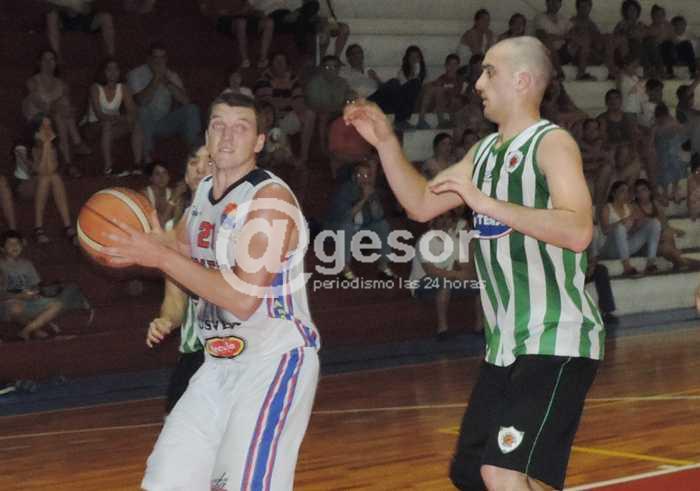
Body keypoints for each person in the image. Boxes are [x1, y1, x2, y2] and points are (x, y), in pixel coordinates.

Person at [345, 36, 603, 490]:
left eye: (489, 72)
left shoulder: (552, 143)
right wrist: (385, 143)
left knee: (500, 471)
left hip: (556, 335)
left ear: (522, 81)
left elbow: (578, 229)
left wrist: (486, 204)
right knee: (473, 473)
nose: (478, 82)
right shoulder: (482, 154)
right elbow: (420, 203)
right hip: (505, 345)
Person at [103, 92, 319, 490]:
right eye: (219, 125)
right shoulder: (204, 193)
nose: (227, 136)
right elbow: (177, 248)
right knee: (165, 482)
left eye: (241, 127)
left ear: (259, 142)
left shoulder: (269, 200)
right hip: (217, 365)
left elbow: (242, 299)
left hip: (272, 362)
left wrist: (160, 255)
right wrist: (130, 238)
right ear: (206, 135)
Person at [145, 147, 209, 413]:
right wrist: (166, 321)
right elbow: (175, 298)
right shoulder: (172, 230)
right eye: (194, 161)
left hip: (242, 347)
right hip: (198, 350)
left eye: (210, 162)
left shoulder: (243, 218)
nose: (200, 168)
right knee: (173, 424)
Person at [0, 230, 91, 341]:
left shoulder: (27, 264)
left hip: (28, 301)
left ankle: (26, 331)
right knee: (15, 308)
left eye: (17, 243)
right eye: (10, 244)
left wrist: (34, 293)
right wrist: (19, 296)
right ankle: (38, 330)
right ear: (2, 248)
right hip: (9, 303)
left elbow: (35, 286)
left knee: (57, 304)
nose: (14, 246)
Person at [408, 209, 482, 340]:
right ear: (433, 222)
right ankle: (442, 329)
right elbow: (431, 272)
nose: (444, 222)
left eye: (448, 219)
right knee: (445, 282)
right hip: (421, 283)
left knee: (480, 283)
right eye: (441, 218)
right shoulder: (425, 240)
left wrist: (470, 276)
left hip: (449, 279)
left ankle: (480, 327)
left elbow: (467, 270)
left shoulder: (455, 242)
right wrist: (458, 275)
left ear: (452, 223)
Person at [127, 42, 202, 166]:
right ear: (149, 59)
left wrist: (167, 82)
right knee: (143, 111)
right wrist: (156, 78)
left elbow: (186, 101)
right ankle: (149, 158)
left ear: (166, 59)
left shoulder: (171, 75)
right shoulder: (135, 74)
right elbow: (141, 101)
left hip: (164, 121)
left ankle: (197, 154)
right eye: (156, 57)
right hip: (143, 122)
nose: (159, 61)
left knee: (192, 109)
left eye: (162, 58)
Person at [23, 48, 91, 178]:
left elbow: (67, 107)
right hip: (36, 118)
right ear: (39, 62)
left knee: (61, 116)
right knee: (60, 113)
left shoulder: (62, 84)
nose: (48, 63)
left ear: (56, 63)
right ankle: (77, 143)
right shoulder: (32, 82)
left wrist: (65, 109)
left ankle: (69, 163)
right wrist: (58, 107)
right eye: (45, 60)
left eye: (52, 59)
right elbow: (39, 105)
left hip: (56, 118)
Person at [84, 58, 143, 176]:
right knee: (107, 124)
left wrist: (123, 118)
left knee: (136, 124)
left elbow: (133, 112)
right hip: (93, 125)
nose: (113, 72)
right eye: (109, 69)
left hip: (113, 123)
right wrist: (119, 118)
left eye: (116, 69)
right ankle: (108, 167)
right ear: (103, 72)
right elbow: (99, 114)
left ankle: (137, 164)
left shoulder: (123, 88)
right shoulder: (95, 88)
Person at [594, 180, 661, 275]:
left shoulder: (629, 208)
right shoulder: (607, 208)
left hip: (626, 246)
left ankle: (651, 263)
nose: (625, 194)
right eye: (622, 191)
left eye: (627, 191)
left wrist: (639, 224)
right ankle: (626, 266)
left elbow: (631, 231)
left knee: (654, 223)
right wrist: (622, 221)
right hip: (609, 249)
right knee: (620, 228)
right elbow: (605, 230)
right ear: (614, 193)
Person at [633, 178, 700, 270]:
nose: (641, 194)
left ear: (649, 191)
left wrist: (671, 232)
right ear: (636, 195)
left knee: (667, 234)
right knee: (667, 246)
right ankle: (682, 261)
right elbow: (638, 232)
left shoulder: (655, 204)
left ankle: (679, 261)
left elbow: (665, 225)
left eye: (644, 190)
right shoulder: (634, 207)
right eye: (638, 192)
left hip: (659, 242)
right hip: (644, 245)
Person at [46, 0, 115, 61]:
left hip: (87, 20)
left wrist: (78, 7)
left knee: (106, 17)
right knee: (51, 16)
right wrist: (68, 6)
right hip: (65, 19)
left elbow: (87, 9)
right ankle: (55, 57)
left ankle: (110, 58)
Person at [141, 162, 175, 230]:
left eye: (164, 173)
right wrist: (173, 198)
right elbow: (160, 223)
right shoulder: (144, 194)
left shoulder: (173, 193)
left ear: (169, 177)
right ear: (151, 178)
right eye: (157, 174)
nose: (162, 177)